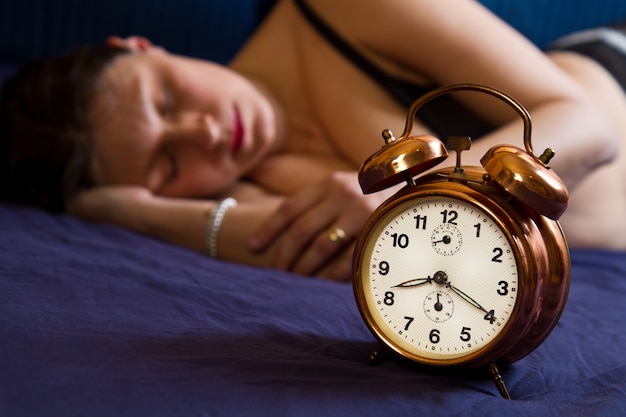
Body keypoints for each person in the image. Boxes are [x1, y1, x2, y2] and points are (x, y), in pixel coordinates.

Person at [1, 0, 625, 281]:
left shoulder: (338, 10)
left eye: (167, 98)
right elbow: (296, 254)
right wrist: (124, 211)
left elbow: (586, 125)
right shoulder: (249, 190)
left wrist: (413, 195)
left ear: (137, 45)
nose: (209, 135)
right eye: (167, 165)